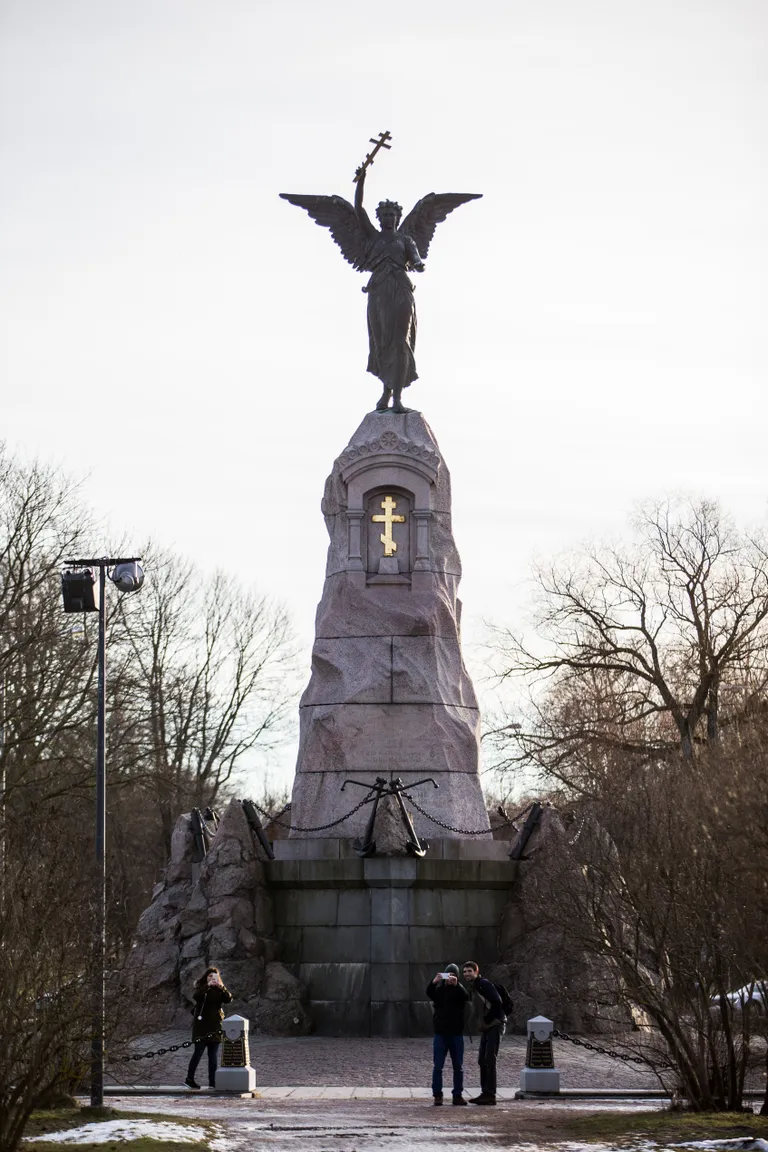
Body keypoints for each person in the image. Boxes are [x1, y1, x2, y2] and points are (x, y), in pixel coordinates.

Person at [426, 963, 470, 1106]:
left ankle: (457, 1095)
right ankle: (437, 1095)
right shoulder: (439, 991)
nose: (450, 978)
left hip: (456, 1034)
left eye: (453, 976)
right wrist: (434, 981)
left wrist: (458, 985)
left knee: (458, 1066)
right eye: (448, 975)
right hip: (440, 1034)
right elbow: (429, 992)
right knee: (438, 1066)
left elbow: (466, 997)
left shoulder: (459, 991)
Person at [462, 961, 505, 1105]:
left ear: (476, 971)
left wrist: (487, 1019)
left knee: (489, 1060)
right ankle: (485, 1092)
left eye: (469, 971)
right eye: (465, 972)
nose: (467, 974)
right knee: (482, 1060)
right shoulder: (474, 987)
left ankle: (490, 1094)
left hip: (495, 1025)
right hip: (487, 1027)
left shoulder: (483, 984)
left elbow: (497, 1002)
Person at [184, 966, 232, 1090]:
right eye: (210, 976)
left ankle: (212, 1082)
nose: (212, 978)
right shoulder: (202, 988)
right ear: (206, 977)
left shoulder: (219, 990)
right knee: (198, 1053)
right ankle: (189, 1079)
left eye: (214, 976)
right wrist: (208, 986)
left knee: (213, 1056)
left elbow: (228, 999)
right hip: (201, 1026)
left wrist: (222, 987)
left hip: (215, 1026)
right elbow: (196, 996)